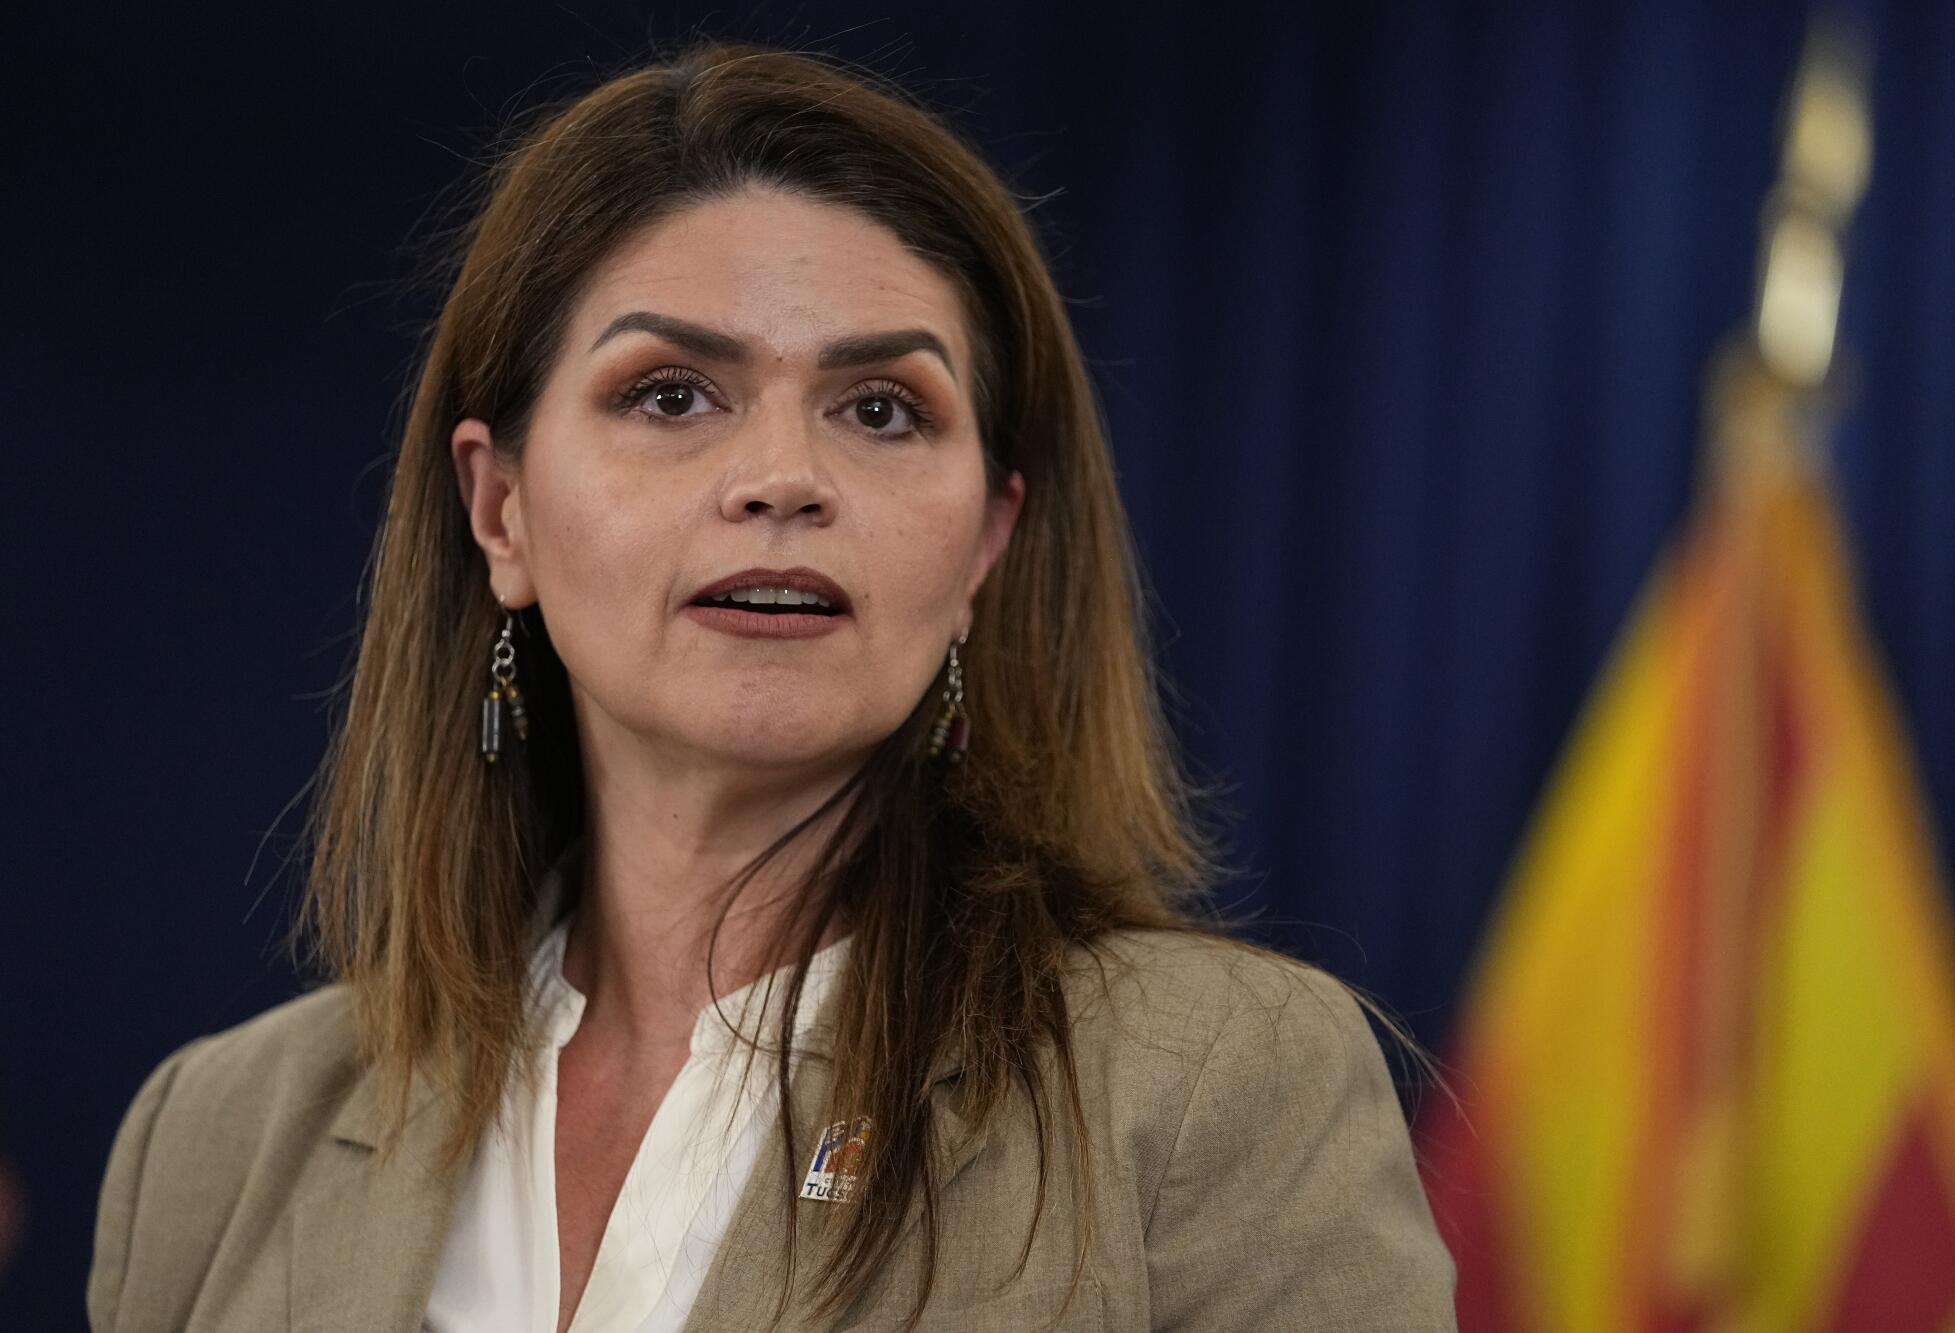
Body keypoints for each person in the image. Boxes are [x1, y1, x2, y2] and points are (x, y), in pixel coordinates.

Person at [86, 39, 1456, 1333]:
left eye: (881, 409)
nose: (782, 478)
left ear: (984, 541)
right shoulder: (215, 1137)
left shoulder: (1220, 1085)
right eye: (672, 393)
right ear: (500, 511)